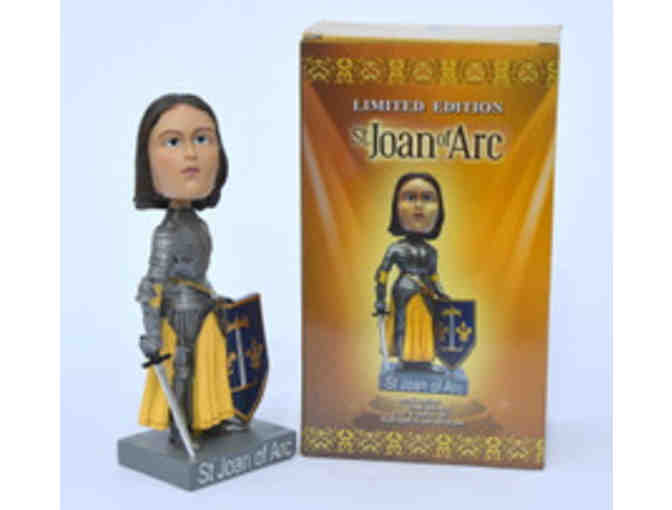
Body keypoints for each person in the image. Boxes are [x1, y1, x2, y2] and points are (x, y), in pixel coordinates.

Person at [134, 93, 235, 450]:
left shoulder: (198, 225)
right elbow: (151, 287)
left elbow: (195, 273)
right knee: (185, 367)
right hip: (179, 314)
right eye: (173, 142)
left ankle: (211, 418)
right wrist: (152, 336)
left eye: (202, 139)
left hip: (203, 307)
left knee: (210, 365)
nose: (191, 154)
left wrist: (214, 298)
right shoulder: (166, 233)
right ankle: (182, 429)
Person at [374, 172, 450, 371]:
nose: (418, 206)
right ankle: (403, 359)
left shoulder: (431, 251)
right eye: (410, 198)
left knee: (428, 324)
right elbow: (382, 275)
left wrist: (441, 293)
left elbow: (434, 276)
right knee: (403, 323)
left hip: (426, 292)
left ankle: (425, 360)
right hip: (404, 290)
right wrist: (380, 300)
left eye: (427, 198)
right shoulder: (396, 249)